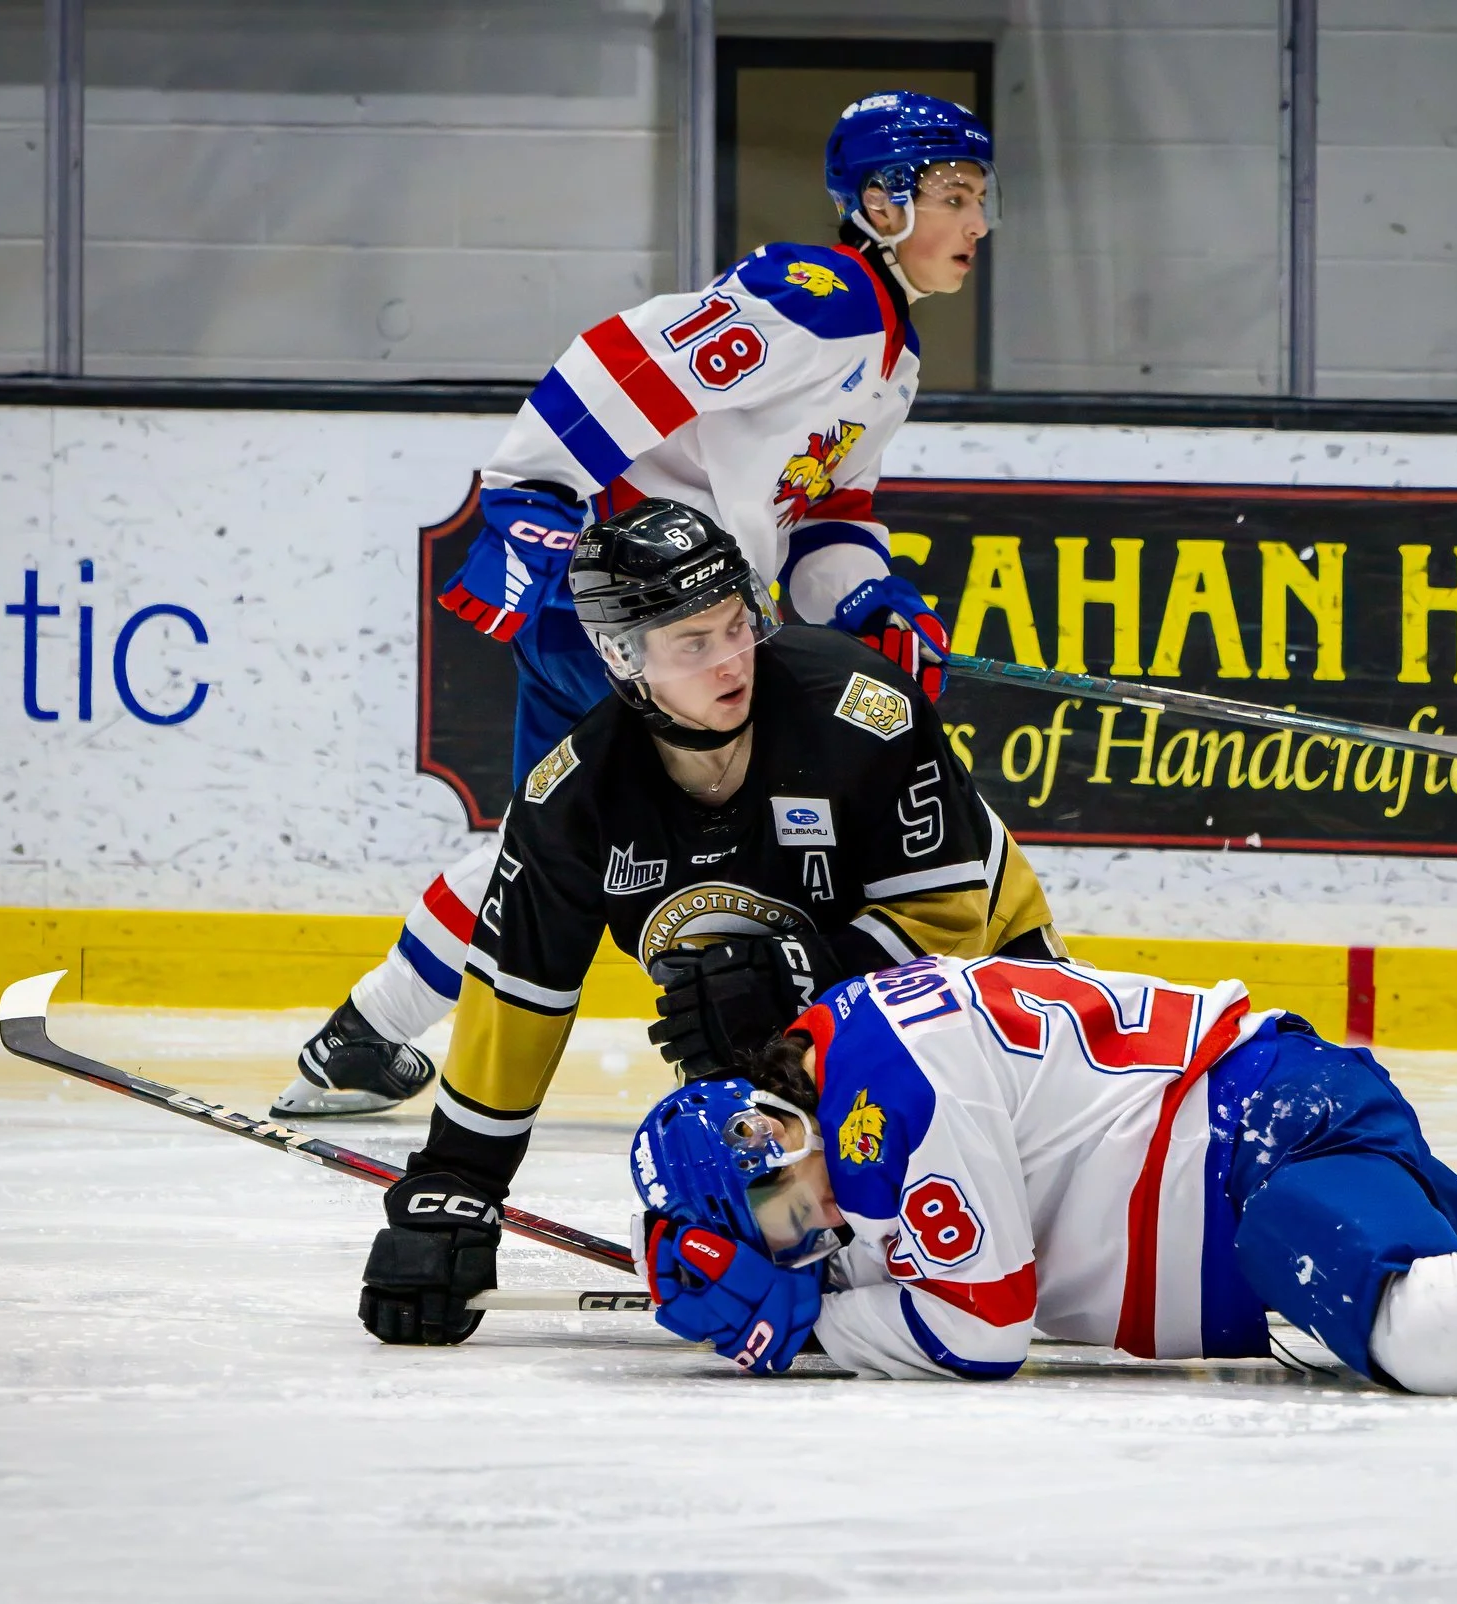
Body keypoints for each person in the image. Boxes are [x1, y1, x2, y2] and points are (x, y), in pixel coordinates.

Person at [277, 91, 1001, 1115]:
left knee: (543, 841)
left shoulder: (890, 357)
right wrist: (533, 486)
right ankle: (778, 1065)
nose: (978, 223)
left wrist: (866, 599)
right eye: (954, 196)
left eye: (982, 197)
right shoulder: (820, 295)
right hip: (629, 615)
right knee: (603, 838)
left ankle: (360, 1037)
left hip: (680, 620)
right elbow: (632, 354)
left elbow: (824, 509)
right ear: (881, 204)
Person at [353, 502, 1063, 1346]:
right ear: (623, 658)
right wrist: (455, 1185)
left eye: (737, 625)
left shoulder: (862, 709)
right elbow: (517, 998)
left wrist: (803, 979)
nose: (732, 662)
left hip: (991, 991)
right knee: (718, 1146)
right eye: (694, 644)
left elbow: (955, 928)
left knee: (1027, 1221)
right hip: (790, 1037)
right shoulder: (571, 801)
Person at [617, 954, 1457, 1389]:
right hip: (1263, 1142)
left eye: (762, 1124)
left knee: (1431, 1335)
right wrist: (755, 1262)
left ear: (779, 1056)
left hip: (1260, 1147)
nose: (790, 1162)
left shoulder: (886, 1082)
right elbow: (919, 1226)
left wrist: (797, 1328)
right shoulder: (862, 1051)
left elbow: (978, 1328)